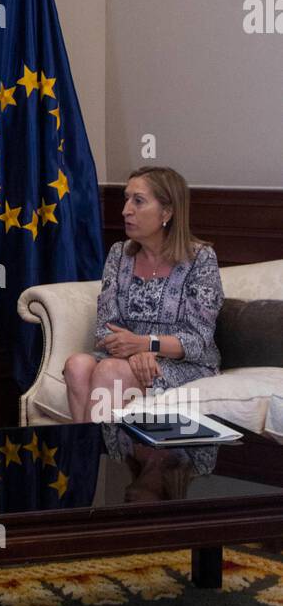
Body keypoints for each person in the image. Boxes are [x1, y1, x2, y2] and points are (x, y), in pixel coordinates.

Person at [63, 166, 224, 496]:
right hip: (129, 355)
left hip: (186, 364)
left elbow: (199, 339)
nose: (126, 210)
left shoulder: (200, 258)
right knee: (77, 365)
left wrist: (149, 345)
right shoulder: (119, 254)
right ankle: (86, 468)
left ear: (167, 211)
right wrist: (138, 351)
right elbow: (105, 326)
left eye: (138, 201)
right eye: (126, 200)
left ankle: (100, 485)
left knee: (108, 370)